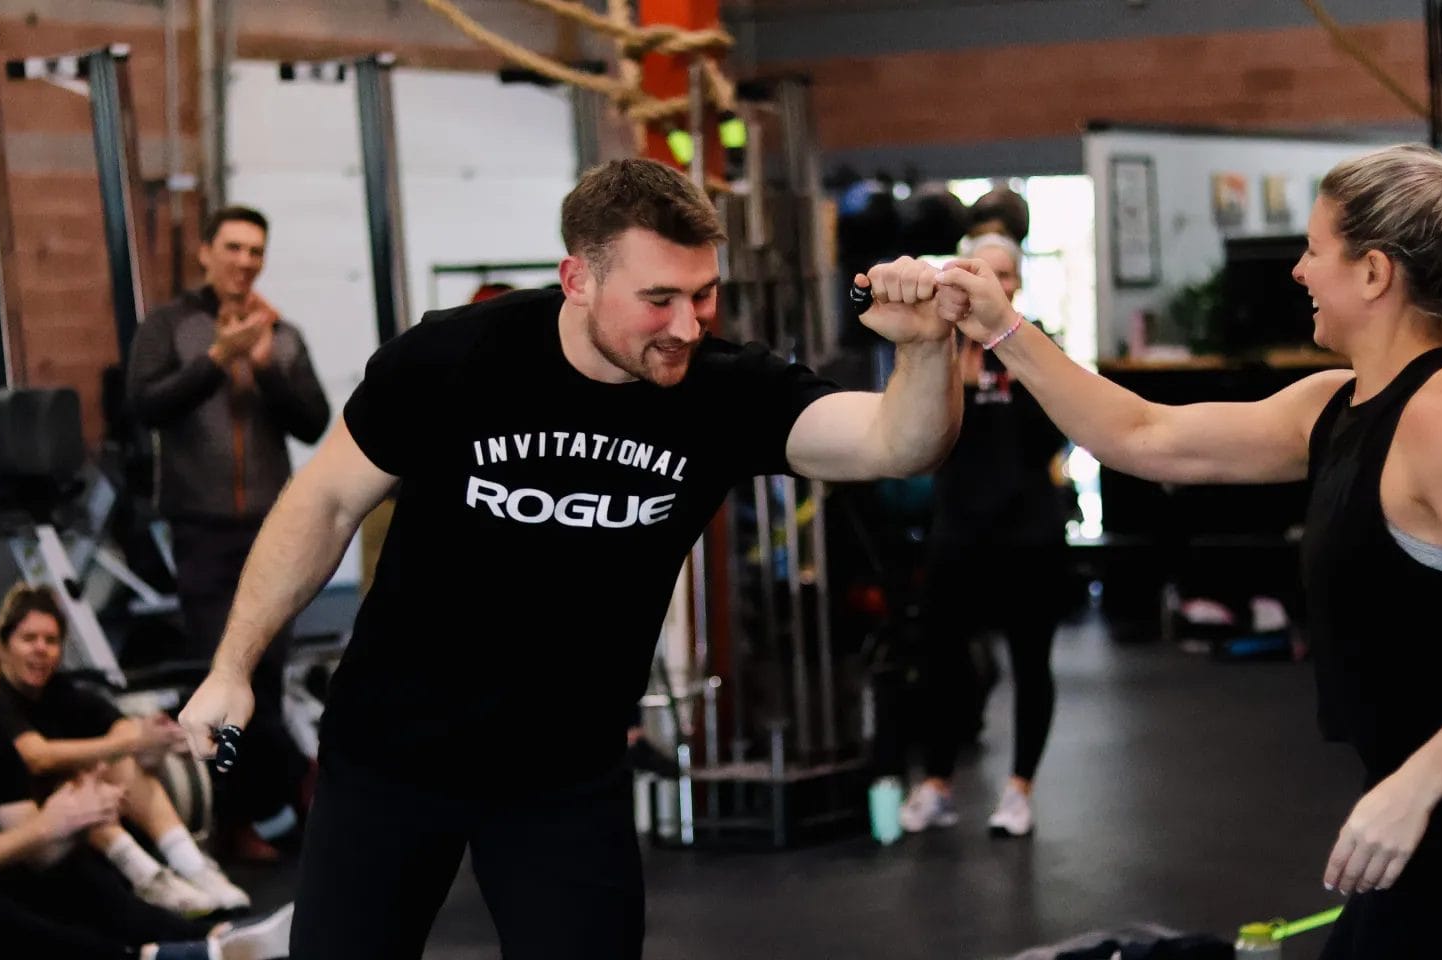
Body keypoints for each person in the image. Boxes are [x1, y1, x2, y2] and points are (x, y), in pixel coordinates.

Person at [178, 157, 963, 959]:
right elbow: (325, 501)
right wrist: (233, 665)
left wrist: (927, 349)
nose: (686, 325)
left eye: (702, 294)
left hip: (562, 772)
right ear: (577, 279)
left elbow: (897, 444)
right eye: (657, 300)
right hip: (392, 752)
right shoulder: (454, 357)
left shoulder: (721, 391)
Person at [933, 143, 1442, 959]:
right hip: (1419, 826)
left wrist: (1415, 787)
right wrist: (1001, 325)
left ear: (1375, 274)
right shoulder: (1335, 405)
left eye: (1315, 251)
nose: (1299, 272)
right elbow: (1146, 434)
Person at [0, 609, 283, 960]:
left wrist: (76, 819)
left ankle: (206, 938)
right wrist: (46, 827)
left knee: (67, 868)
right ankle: (136, 957)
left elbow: (33, 849)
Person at [128, 205, 330, 861]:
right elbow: (144, 405)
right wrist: (219, 358)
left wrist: (267, 363)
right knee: (223, 671)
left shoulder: (285, 333)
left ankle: (259, 814)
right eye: (234, 248)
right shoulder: (170, 326)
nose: (246, 261)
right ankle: (251, 817)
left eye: (256, 251)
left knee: (267, 677)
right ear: (206, 254)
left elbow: (313, 421)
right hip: (203, 529)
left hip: (275, 530)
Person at [898, 231, 1077, 839]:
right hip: (958, 532)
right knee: (940, 662)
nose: (992, 283)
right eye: (981, 271)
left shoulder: (1036, 350)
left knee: (1031, 663)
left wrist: (1013, 366)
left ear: (1017, 285)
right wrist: (959, 371)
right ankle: (936, 783)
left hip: (1028, 534)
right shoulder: (940, 348)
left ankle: (1019, 790)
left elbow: (1053, 436)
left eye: (1004, 274)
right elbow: (916, 435)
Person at [0, 582, 252, 914]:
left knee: (119, 765)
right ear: (3, 645)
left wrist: (147, 739)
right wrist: (125, 743)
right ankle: (148, 879)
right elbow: (36, 757)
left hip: (77, 806)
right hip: (14, 815)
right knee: (80, 782)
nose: (41, 649)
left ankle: (192, 864)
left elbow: (122, 726)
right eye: (29, 639)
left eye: (51, 641)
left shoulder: (60, 690)